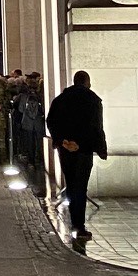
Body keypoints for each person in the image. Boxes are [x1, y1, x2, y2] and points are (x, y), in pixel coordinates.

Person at [46, 69, 107, 239]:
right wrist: (99, 147)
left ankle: (75, 222)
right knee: (81, 187)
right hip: (84, 149)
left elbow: (51, 121)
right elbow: (96, 127)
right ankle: (78, 226)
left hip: (66, 149)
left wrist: (63, 140)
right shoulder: (93, 100)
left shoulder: (61, 99)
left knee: (72, 184)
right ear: (87, 82)